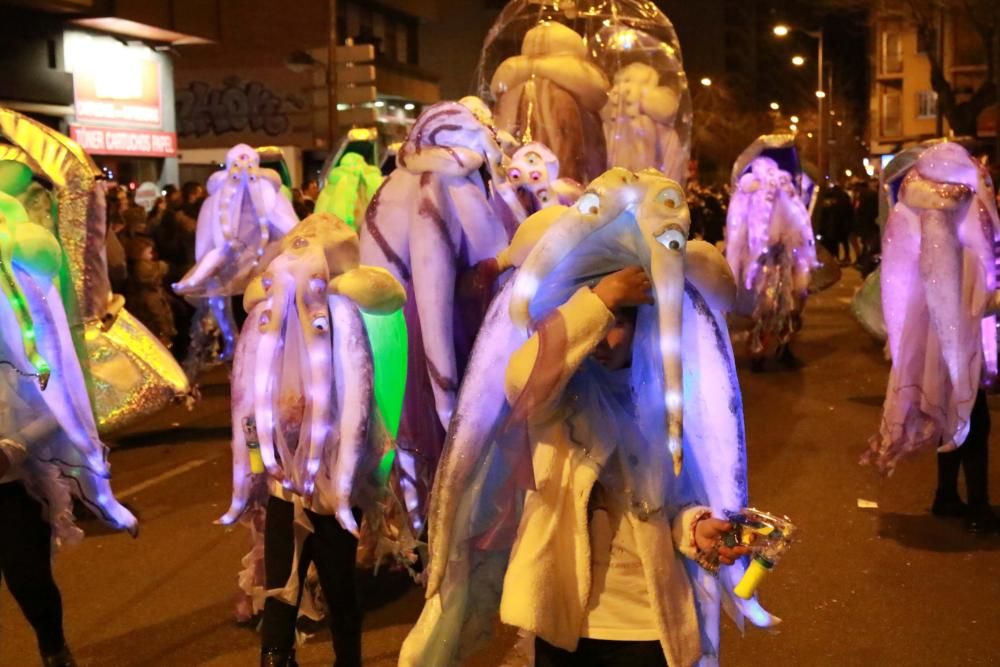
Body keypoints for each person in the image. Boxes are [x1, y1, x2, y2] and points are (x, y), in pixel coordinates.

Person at [511, 266, 749, 665]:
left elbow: (670, 505)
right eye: (598, 319)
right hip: (566, 623)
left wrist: (696, 527)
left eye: (618, 322)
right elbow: (521, 381)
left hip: (644, 624)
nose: (603, 338)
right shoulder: (557, 398)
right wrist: (602, 300)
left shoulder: (665, 402)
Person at [0, 441, 76, 667]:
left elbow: (55, 414)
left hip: (12, 489)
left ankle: (55, 650)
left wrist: (12, 449)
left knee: (29, 580)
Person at [123, 237, 177, 347]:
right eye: (148, 253)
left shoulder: (140, 284)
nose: (152, 256)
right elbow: (158, 315)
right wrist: (165, 332)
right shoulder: (149, 293)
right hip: (155, 334)